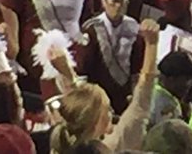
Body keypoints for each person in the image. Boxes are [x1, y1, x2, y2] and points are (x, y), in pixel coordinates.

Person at [49, 18, 160, 153]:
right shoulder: (111, 146)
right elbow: (140, 104)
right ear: (97, 122)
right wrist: (152, 44)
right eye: (108, 109)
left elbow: (79, 106)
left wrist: (68, 73)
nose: (112, 114)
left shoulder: (62, 145)